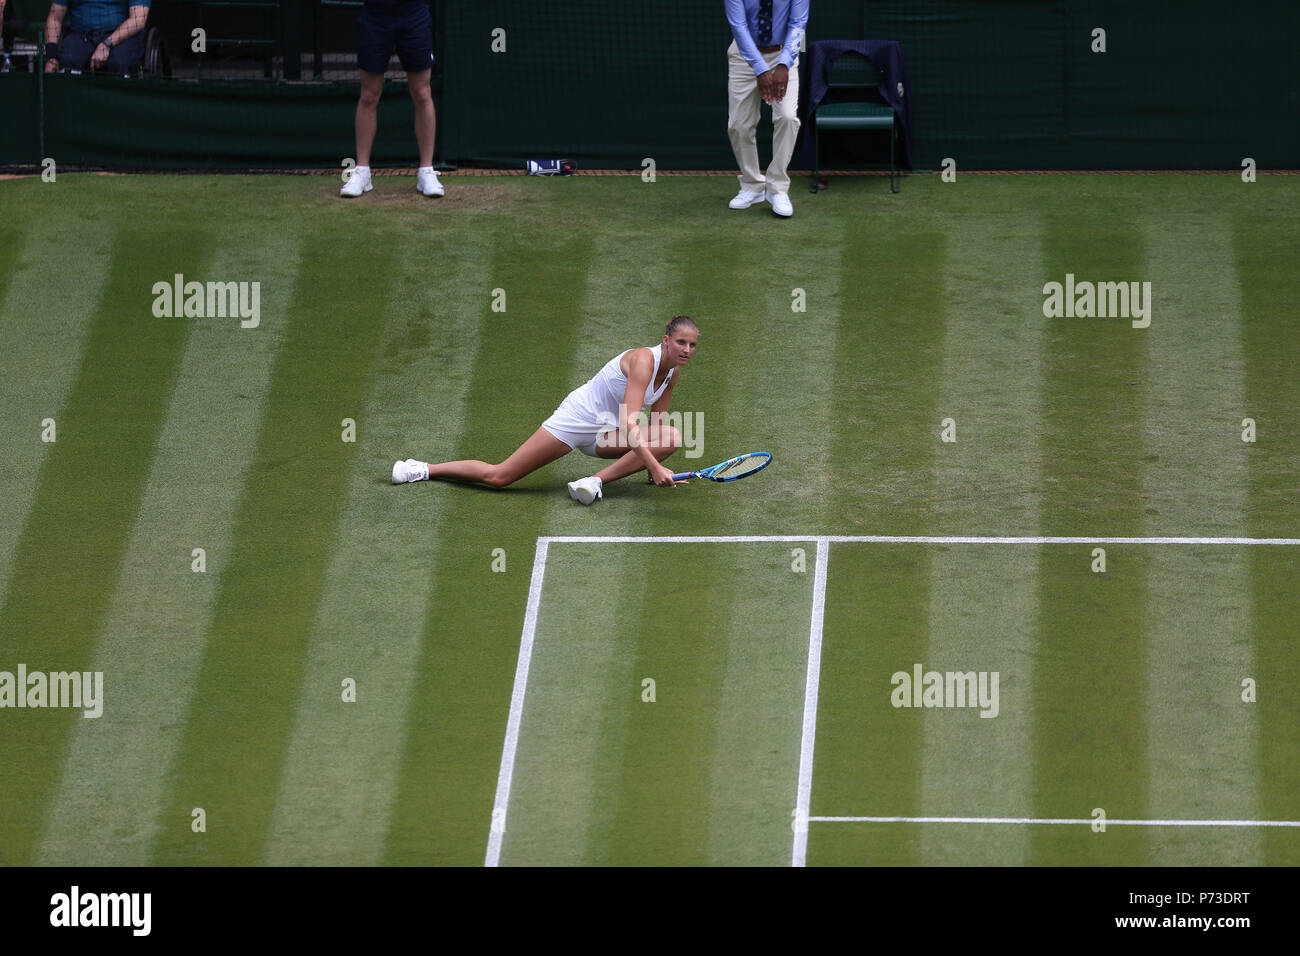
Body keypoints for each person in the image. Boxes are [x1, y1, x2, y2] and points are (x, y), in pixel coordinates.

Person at [392, 317, 699, 504]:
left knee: (669, 436)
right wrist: (656, 467)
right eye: (681, 342)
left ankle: (594, 482)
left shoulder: (672, 372)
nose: (686, 350)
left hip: (607, 432)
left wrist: (653, 468)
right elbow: (631, 424)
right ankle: (423, 468)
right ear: (666, 340)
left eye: (692, 345)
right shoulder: (644, 361)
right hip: (579, 417)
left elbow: (656, 423)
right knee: (501, 477)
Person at [341, 0, 442, 199]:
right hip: (375, 15)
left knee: (422, 93)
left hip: (413, 15)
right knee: (369, 95)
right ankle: (362, 172)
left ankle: (426, 171)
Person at [724, 0, 809, 218]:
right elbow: (738, 25)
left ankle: (777, 189)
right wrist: (761, 69)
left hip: (784, 55)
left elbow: (798, 22)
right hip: (743, 55)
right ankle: (752, 186)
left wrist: (784, 64)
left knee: (788, 118)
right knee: (739, 125)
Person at [44, 0, 149, 75]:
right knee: (68, 60)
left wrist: (107, 44)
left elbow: (138, 20)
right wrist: (51, 57)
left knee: (119, 62)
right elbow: (55, 18)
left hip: (122, 36)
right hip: (81, 34)